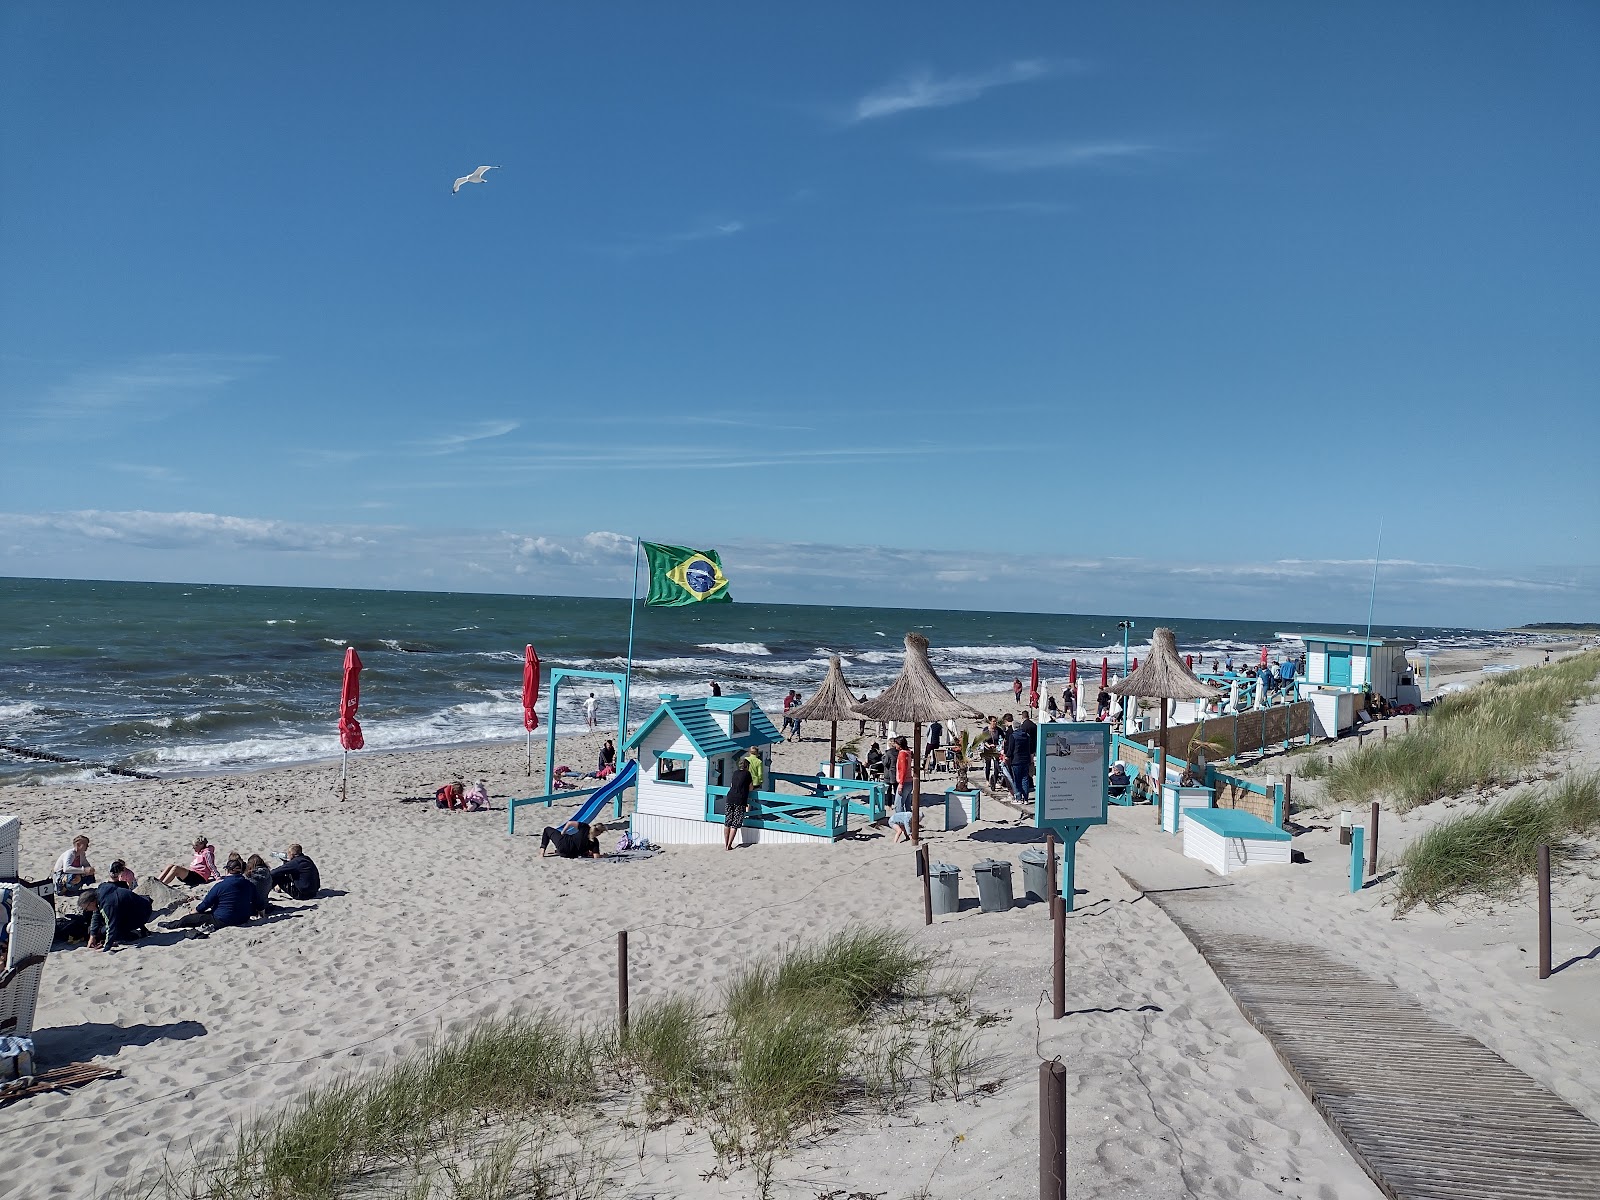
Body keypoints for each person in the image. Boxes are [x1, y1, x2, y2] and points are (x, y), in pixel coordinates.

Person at [171, 858, 264, 931]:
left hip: (222, 919)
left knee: (186, 920)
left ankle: (170, 925)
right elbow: (258, 902)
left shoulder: (221, 886)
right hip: (243, 918)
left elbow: (205, 904)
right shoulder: (249, 884)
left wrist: (191, 913)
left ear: (228, 870)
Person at [83, 880, 153, 951]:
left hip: (143, 913)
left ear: (91, 902)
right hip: (142, 903)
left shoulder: (108, 905)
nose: (87, 910)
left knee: (105, 930)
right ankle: (141, 928)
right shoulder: (101, 890)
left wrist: (106, 947)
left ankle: (136, 934)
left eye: (86, 908)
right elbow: (96, 914)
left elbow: (111, 928)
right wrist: (92, 935)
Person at [889, 736, 916, 843]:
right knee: (908, 805)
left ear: (899, 744)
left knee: (898, 806)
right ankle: (911, 826)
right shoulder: (909, 752)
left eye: (896, 744)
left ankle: (904, 829)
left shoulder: (902, 753)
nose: (894, 745)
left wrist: (900, 784)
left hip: (904, 782)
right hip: (909, 781)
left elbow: (903, 769)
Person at [723, 753, 752, 850]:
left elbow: (732, 785)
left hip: (730, 796)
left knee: (728, 822)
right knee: (735, 823)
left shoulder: (735, 773)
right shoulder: (747, 774)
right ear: (747, 766)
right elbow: (750, 787)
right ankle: (729, 845)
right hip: (740, 799)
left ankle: (725, 843)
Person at [1005, 715, 1036, 804]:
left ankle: (1018, 798)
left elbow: (1011, 749)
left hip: (1016, 760)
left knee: (1017, 780)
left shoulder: (1013, 736)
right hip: (1026, 760)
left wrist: (1007, 757)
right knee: (1025, 779)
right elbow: (1030, 748)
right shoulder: (1027, 735)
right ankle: (1025, 799)